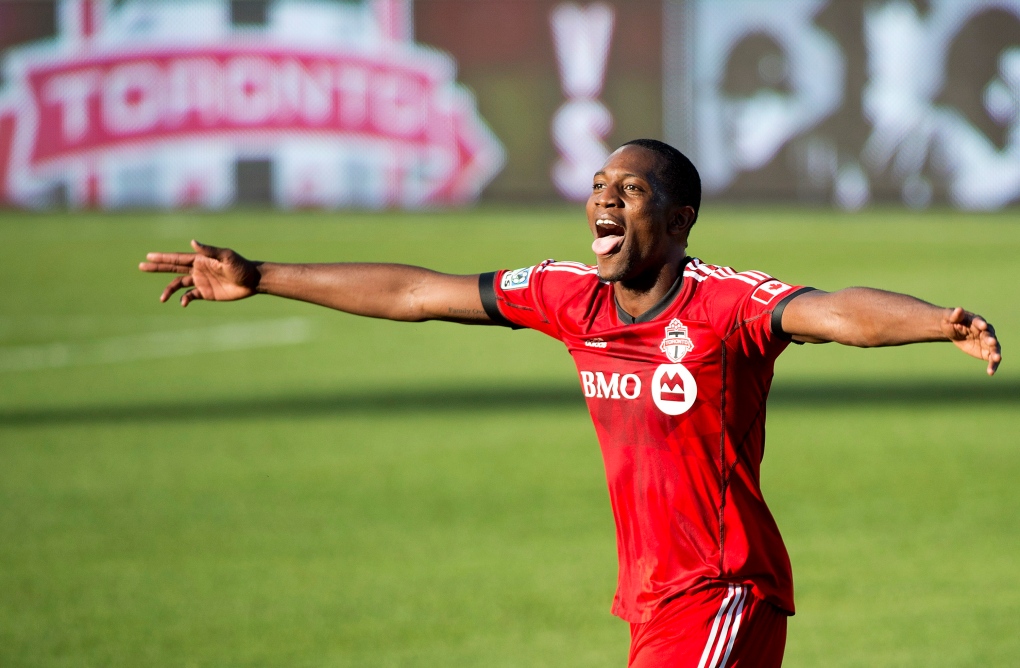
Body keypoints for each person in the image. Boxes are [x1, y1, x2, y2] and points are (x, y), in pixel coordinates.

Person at [139, 139, 1001, 667]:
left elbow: (830, 312)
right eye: (597, 186)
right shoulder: (567, 296)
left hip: (725, 588)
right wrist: (265, 276)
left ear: (681, 218)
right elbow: (415, 292)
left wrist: (936, 322)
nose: (602, 199)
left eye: (628, 190)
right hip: (651, 600)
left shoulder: (723, 303)